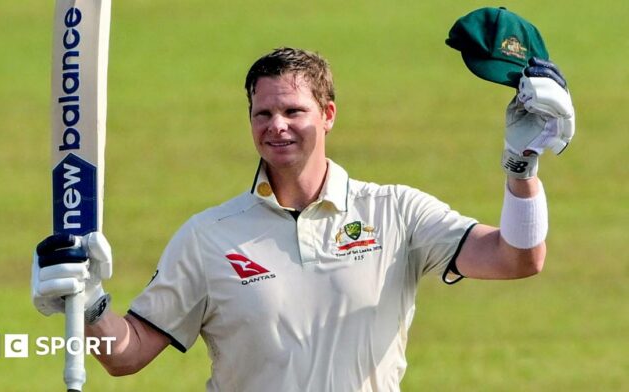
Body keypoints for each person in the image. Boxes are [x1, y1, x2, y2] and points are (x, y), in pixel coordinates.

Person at [32, 47, 574, 391]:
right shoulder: (208, 237)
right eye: (263, 113)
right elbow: (124, 357)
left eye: (294, 111)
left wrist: (521, 167)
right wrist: (89, 302)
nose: (278, 126)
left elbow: (517, 258)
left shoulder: (395, 211)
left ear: (328, 115)